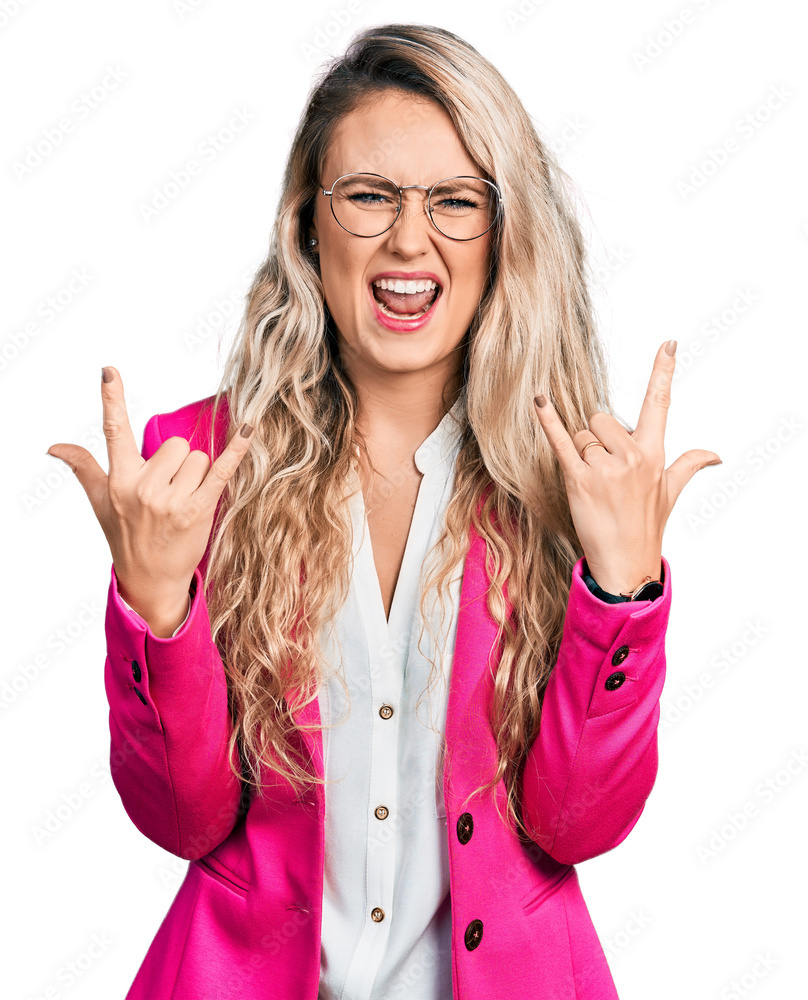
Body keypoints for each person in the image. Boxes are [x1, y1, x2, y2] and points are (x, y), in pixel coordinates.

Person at [47, 23, 721, 1000]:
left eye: (454, 202)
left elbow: (580, 826)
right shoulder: (193, 468)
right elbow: (182, 819)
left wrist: (619, 592)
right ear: (307, 223)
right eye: (369, 197)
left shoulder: (576, 476)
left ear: (503, 232)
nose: (410, 239)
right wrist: (156, 608)